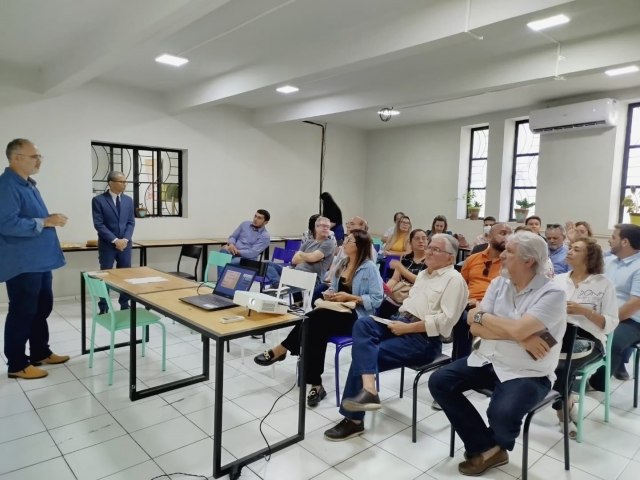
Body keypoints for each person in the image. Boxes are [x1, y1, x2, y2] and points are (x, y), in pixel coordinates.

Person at [429, 231, 566, 476]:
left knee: (501, 413)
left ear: (528, 261)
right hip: (488, 358)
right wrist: (520, 335)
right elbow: (473, 323)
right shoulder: (499, 283)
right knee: (440, 381)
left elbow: (496, 323)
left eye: (509, 251)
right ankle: (488, 449)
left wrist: (493, 321)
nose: (501, 255)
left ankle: (494, 446)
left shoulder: (552, 293)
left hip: (528, 371)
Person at [323, 234, 468, 441]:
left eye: (436, 249)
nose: (428, 251)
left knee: (365, 355)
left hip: (422, 340)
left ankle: (354, 421)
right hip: (399, 321)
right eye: (429, 247)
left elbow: (445, 323)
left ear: (450, 257)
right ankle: (369, 389)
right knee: (363, 323)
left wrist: (406, 329)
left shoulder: (454, 280)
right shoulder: (426, 275)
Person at [254, 229, 383, 407]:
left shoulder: (369, 267)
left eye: (349, 241)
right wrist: (330, 295)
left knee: (312, 320)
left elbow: (377, 300)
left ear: (359, 246)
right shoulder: (343, 263)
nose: (344, 243)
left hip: (356, 318)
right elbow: (334, 288)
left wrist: (351, 298)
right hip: (336, 312)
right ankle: (316, 384)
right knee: (314, 328)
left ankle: (282, 349)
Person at [0, 138, 69, 380]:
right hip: (22, 263)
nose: (39, 160)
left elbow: (30, 217)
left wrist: (48, 217)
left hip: (39, 261)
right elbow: (6, 223)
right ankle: (17, 364)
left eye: (40, 156)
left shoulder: (29, 185)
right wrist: (46, 221)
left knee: (41, 308)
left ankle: (40, 351)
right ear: (16, 158)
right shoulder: (6, 185)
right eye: (34, 156)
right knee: (23, 311)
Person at [551, 238, 618, 435]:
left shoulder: (603, 284)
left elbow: (611, 323)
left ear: (589, 257)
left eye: (576, 249)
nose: (569, 251)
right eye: (570, 248)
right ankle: (561, 399)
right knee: (533, 351)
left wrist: (584, 311)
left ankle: (563, 410)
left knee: (562, 366)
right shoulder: (558, 280)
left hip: (590, 339)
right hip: (560, 332)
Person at [590, 224, 640, 388]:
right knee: (574, 330)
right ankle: (571, 374)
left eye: (613, 237)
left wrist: (605, 320)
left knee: (613, 342)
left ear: (624, 242)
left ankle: (598, 384)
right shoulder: (610, 261)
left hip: (631, 320)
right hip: (604, 314)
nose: (610, 241)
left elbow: (634, 304)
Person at [454, 223, 512, 359]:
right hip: (468, 304)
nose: (507, 237)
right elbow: (460, 286)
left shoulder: (510, 263)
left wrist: (481, 303)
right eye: (503, 233)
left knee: (469, 319)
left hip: (493, 309)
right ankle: (460, 361)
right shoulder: (473, 259)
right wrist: (466, 300)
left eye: (510, 234)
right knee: (460, 316)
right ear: (489, 236)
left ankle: (476, 359)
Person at [91, 171, 135, 312]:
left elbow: (131, 222)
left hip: (125, 245)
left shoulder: (128, 200)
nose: (124, 184)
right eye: (121, 181)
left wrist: (125, 240)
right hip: (107, 245)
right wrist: (115, 240)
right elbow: (99, 224)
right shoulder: (98, 200)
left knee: (125, 276)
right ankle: (103, 306)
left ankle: (124, 304)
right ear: (110, 183)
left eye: (125, 181)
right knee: (105, 276)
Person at [266, 216, 336, 286]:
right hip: (294, 272)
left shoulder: (329, 243)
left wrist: (301, 254)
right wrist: (311, 258)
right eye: (323, 226)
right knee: (267, 264)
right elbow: (294, 260)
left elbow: (312, 258)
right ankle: (278, 284)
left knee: (272, 291)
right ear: (316, 227)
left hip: (309, 277)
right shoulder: (309, 242)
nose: (326, 228)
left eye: (328, 227)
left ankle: (278, 285)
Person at [377, 228, 429, 318]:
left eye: (424, 238)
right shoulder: (404, 257)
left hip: (417, 296)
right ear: (410, 242)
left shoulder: (430, 260)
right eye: (417, 238)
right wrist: (386, 289)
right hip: (400, 293)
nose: (421, 241)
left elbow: (422, 281)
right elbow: (395, 279)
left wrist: (401, 269)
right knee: (384, 304)